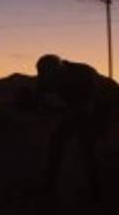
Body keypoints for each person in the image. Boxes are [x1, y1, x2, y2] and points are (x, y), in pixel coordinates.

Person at [34, 54, 119, 200]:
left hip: (108, 102)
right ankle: (48, 187)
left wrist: (62, 111)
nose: (49, 81)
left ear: (59, 71)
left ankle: (97, 191)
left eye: (52, 77)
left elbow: (85, 110)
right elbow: (40, 102)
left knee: (87, 144)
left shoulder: (84, 74)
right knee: (56, 141)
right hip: (78, 106)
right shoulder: (45, 78)